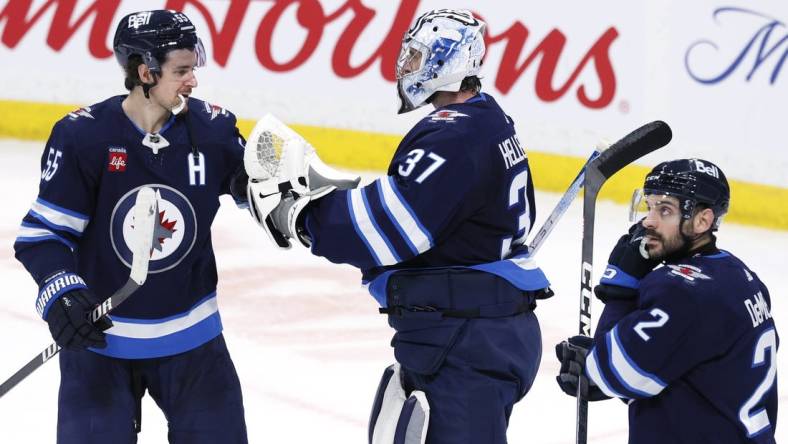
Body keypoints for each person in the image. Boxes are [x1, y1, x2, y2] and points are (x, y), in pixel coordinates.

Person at [245, 9, 552, 444]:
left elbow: (393, 226)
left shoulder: (454, 136)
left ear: (450, 63)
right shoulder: (487, 118)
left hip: (464, 339)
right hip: (477, 329)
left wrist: (306, 218)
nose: (406, 66)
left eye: (418, 56)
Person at [14, 10, 250, 443]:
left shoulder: (213, 130)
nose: (192, 82)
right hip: (100, 343)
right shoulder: (82, 137)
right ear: (145, 71)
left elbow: (264, 197)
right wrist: (61, 294)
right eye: (181, 71)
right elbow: (42, 236)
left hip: (193, 342)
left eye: (192, 69)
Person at [555, 158, 778, 443]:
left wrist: (620, 291)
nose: (648, 220)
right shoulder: (740, 275)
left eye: (665, 210)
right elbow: (687, 373)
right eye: (649, 206)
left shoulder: (679, 290)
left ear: (703, 220)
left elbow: (610, 375)